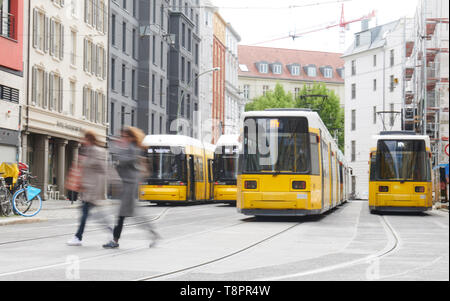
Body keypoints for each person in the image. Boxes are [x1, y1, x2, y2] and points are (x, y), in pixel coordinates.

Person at [103, 127, 160, 249]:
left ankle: (115, 240)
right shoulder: (127, 148)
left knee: (123, 215)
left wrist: (115, 147)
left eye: (124, 136)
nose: (122, 138)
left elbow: (123, 160)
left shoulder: (134, 149)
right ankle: (153, 234)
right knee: (128, 215)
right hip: (125, 185)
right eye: (122, 136)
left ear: (131, 137)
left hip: (130, 185)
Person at [67, 131, 108, 246]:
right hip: (86, 189)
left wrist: (96, 190)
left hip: (93, 189)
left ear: (89, 139)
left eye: (84, 139)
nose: (82, 141)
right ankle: (111, 231)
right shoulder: (87, 151)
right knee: (93, 214)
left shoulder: (97, 151)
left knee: (86, 214)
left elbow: (102, 171)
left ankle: (78, 237)